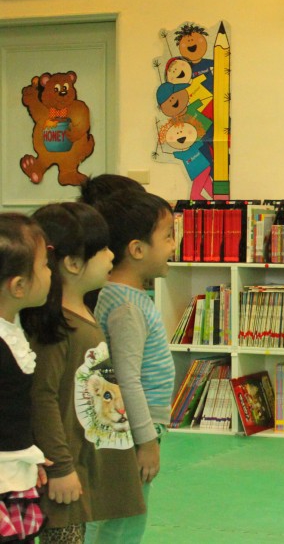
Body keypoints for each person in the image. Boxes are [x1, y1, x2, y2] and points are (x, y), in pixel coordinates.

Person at [22, 204, 146, 543]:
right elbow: (43, 398)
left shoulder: (83, 312)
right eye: (102, 248)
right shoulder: (56, 328)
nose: (111, 255)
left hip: (83, 461)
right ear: (73, 264)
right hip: (65, 468)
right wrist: (61, 467)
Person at [86, 191, 177, 543]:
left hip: (129, 427)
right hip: (133, 429)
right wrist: (147, 441)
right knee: (126, 519)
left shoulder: (120, 296)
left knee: (114, 514)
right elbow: (128, 379)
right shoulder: (128, 307)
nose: (173, 245)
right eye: (167, 236)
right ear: (137, 249)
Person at [0, 213, 52, 543]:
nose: (51, 273)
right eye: (45, 265)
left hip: (14, 474)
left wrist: (28, 455)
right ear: (19, 286)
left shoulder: (12, 328)